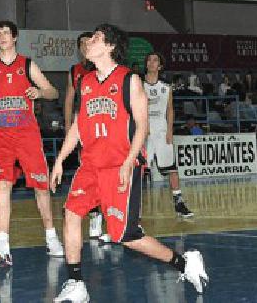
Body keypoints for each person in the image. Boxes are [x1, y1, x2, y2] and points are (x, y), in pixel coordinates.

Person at [48, 24, 209, 302]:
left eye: (96, 38)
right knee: (71, 213)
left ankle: (185, 264)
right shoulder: (84, 82)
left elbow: (144, 125)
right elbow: (78, 126)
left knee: (127, 236)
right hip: (90, 165)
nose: (89, 41)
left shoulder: (128, 80)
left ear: (110, 46)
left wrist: (129, 161)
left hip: (118, 166)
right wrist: (61, 159)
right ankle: (76, 283)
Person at [0, 20, 65, 266]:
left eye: (6, 33)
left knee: (41, 185)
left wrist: (40, 92)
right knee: (2, 185)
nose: (2, 36)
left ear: (14, 38)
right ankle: (2, 242)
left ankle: (51, 237)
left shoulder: (26, 65)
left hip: (26, 135)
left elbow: (54, 92)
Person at [141, 52, 195, 218]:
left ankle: (179, 203)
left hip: (162, 129)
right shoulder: (138, 84)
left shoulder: (166, 85)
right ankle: (135, 208)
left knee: (171, 168)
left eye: (155, 60)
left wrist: (170, 130)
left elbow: (170, 109)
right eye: (149, 60)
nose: (151, 62)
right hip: (143, 130)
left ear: (160, 66)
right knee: (139, 171)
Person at [63, 31, 105, 241]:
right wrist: (68, 125)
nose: (85, 46)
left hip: (105, 125)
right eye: (81, 44)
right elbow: (69, 99)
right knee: (88, 170)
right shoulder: (75, 71)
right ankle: (95, 212)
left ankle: (116, 213)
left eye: (89, 42)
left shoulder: (103, 66)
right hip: (83, 126)